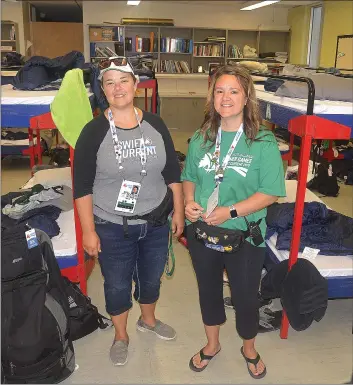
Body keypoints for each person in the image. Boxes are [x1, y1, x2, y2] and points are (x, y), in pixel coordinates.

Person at [73, 57, 184, 366]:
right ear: (102, 90)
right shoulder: (93, 131)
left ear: (136, 85)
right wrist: (89, 230)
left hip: (157, 219)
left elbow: (172, 172)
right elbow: (82, 186)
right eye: (109, 82)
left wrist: (178, 212)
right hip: (111, 224)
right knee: (118, 284)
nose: (117, 88)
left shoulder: (155, 123)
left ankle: (147, 320)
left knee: (151, 280)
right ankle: (121, 335)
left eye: (124, 81)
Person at [181, 65, 286, 379]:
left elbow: (270, 193)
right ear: (212, 96)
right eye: (219, 91)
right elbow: (188, 177)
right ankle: (212, 345)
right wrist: (188, 201)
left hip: (244, 235)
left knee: (244, 296)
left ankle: (249, 348)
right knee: (208, 290)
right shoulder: (202, 137)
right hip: (204, 232)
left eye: (233, 91)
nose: (225, 97)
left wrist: (231, 211)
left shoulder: (263, 142)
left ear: (246, 98)